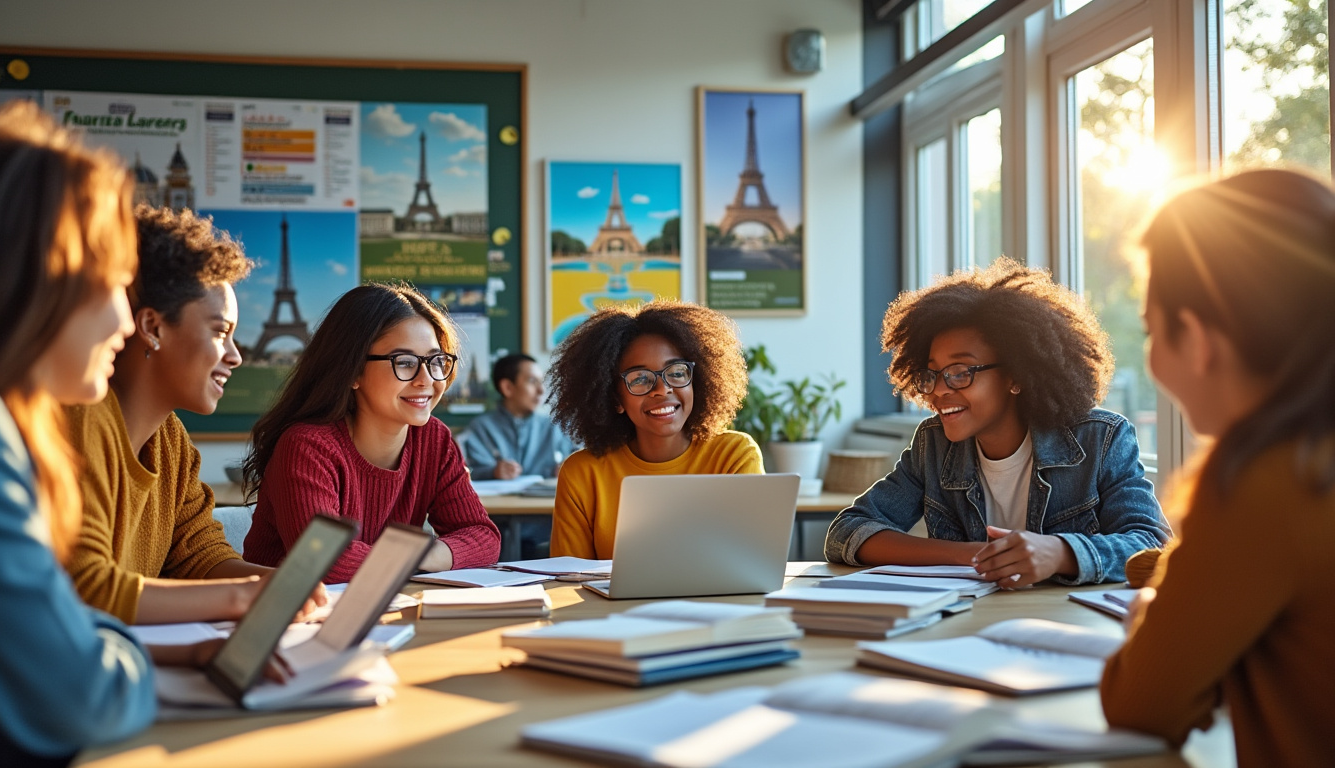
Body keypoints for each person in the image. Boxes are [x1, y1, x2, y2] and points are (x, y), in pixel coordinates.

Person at [0, 100, 281, 766]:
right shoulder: (27, 432)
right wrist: (189, 640)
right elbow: (74, 678)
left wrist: (198, 636)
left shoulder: (24, 426)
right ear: (41, 280)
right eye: (106, 282)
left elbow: (69, 619)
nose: (122, 318)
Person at [1101, 169, 1335, 766]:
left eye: (1153, 330)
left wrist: (1155, 608)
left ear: (1199, 339)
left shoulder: (1268, 480)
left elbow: (1142, 704)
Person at [825, 258, 1170, 586]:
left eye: (960, 372)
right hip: (968, 626)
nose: (940, 390)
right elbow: (848, 531)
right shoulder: (933, 446)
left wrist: (1061, 553)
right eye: (933, 374)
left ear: (1015, 376)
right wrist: (975, 556)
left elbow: (1154, 547)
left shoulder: (1101, 440)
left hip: (1066, 628)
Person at [64, 204, 325, 625]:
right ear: (152, 327)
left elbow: (199, 557)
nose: (236, 356)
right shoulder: (77, 422)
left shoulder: (171, 441)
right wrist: (246, 598)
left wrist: (288, 590)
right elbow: (85, 589)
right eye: (220, 332)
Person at [241, 283, 501, 583]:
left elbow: (484, 538)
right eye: (404, 362)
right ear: (352, 372)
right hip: (292, 619)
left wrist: (419, 555)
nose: (426, 380)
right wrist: (424, 557)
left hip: (384, 610)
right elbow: (323, 561)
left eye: (435, 361)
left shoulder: (434, 439)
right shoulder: (306, 447)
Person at [547, 300, 761, 559]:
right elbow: (569, 582)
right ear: (615, 399)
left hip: (718, 600)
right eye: (639, 379)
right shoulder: (582, 473)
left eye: (677, 372)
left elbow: (750, 560)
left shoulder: (734, 456)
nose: (663, 389)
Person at [461, 353, 578, 481]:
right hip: (495, 501)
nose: (541, 390)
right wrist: (493, 472)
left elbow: (579, 460)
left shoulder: (555, 427)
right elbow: (464, 473)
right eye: (532, 381)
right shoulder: (480, 428)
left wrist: (569, 468)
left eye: (541, 382)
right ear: (508, 388)